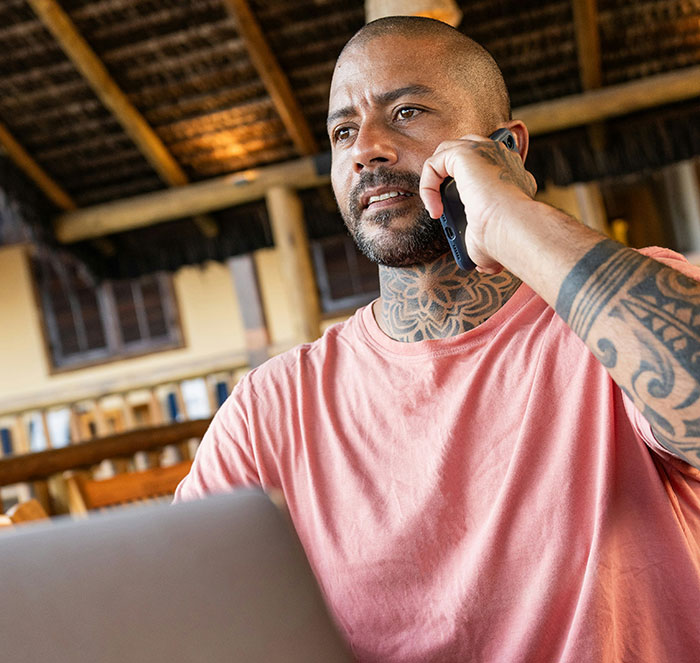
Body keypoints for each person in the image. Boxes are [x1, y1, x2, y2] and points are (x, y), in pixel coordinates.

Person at [175, 16, 700, 662]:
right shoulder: (269, 410)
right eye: (344, 131)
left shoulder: (623, 313)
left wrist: (510, 217)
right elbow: (187, 619)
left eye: (406, 112)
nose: (366, 146)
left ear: (506, 147)